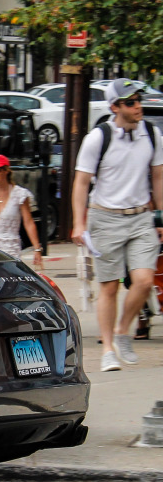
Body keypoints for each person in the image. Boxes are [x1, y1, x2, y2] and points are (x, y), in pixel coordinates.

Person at [70, 78, 163, 371]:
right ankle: (108, 348)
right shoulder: (98, 138)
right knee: (109, 287)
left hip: (140, 217)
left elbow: (158, 177)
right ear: (115, 107)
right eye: (132, 102)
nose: (139, 107)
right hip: (105, 217)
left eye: (139, 100)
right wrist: (78, 223)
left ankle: (123, 331)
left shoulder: (153, 134)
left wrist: (161, 215)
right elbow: (81, 183)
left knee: (145, 281)